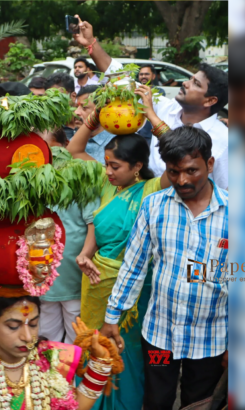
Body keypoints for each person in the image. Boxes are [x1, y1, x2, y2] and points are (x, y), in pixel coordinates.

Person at [100, 126, 228, 410]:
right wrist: (112, 317)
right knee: (157, 397)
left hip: (210, 339)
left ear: (209, 164)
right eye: (173, 172)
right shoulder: (154, 206)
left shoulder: (234, 213)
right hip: (160, 337)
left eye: (191, 171)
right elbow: (133, 266)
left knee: (198, 402)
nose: (182, 180)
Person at [66, 101, 171, 410]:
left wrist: (152, 117)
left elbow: (179, 154)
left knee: (125, 350)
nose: (108, 171)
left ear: (137, 166)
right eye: (107, 163)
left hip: (135, 288)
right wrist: (93, 118)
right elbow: (73, 151)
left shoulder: (154, 188)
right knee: (93, 345)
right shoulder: (104, 182)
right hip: (96, 282)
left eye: (116, 166)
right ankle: (89, 403)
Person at [74, 15, 229, 190]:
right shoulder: (166, 108)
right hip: (151, 203)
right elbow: (121, 77)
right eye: (191, 79)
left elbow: (228, 194)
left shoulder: (224, 141)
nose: (185, 83)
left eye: (196, 84)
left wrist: (152, 116)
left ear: (211, 100)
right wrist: (91, 44)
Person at [38, 129, 99, 344]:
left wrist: (84, 255)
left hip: (73, 271)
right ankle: (50, 376)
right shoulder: (33, 176)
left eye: (51, 148)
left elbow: (92, 222)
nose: (48, 155)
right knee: (46, 335)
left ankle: (76, 376)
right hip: (42, 272)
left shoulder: (81, 177)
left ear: (65, 146)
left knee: (77, 337)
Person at [74, 85, 114, 165]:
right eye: (76, 107)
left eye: (84, 108)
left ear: (102, 109)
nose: (76, 112)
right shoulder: (73, 140)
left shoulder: (121, 142)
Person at [47, 72, 80, 139]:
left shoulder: (87, 120)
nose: (54, 102)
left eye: (58, 97)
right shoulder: (49, 129)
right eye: (50, 99)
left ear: (73, 96)